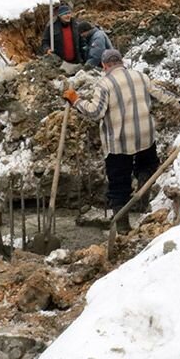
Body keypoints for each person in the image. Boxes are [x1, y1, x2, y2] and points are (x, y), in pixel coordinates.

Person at [63, 49, 164, 234]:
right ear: (121, 61)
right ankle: (143, 190)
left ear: (104, 65)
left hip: (119, 142)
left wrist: (76, 101)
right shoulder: (141, 76)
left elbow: (95, 112)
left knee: (119, 183)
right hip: (145, 136)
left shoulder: (104, 84)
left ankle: (123, 227)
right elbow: (161, 94)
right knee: (147, 165)